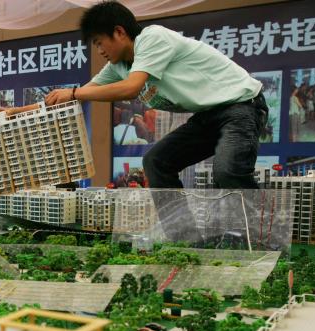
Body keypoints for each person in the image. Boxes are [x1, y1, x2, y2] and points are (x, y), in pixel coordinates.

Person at [43, 0, 268, 190]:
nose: (99, 51)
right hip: (208, 115)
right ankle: (180, 233)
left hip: (242, 106)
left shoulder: (153, 37)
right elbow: (77, 95)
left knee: (229, 172)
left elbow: (130, 88)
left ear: (119, 32)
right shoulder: (118, 66)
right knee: (156, 161)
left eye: (99, 43)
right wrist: (13, 112)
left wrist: (73, 93)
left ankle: (259, 239)